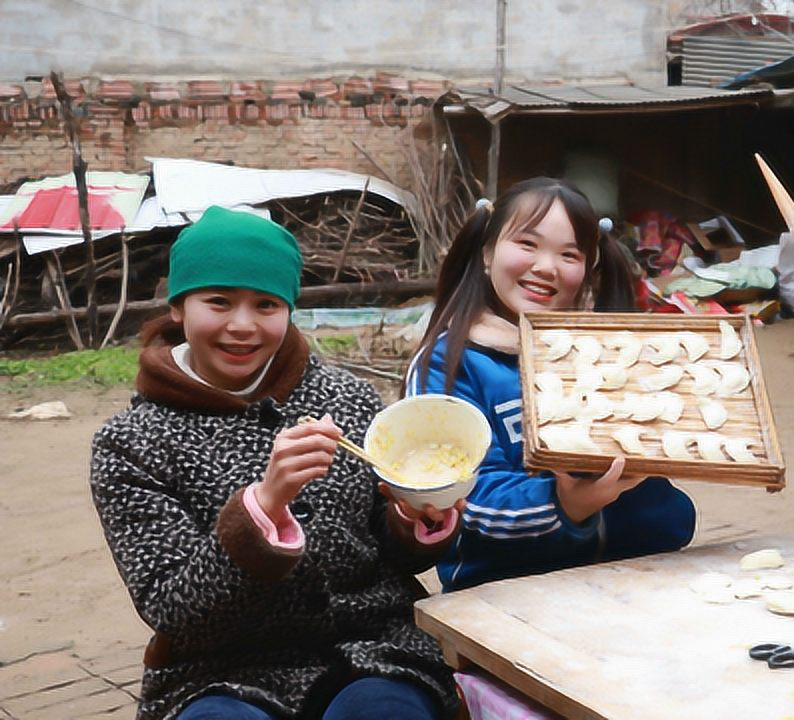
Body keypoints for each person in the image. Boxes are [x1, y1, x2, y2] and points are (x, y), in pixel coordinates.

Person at [91, 206, 462, 720]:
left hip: (373, 649)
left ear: (289, 310)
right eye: (218, 301)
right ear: (178, 306)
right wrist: (262, 508)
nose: (242, 326)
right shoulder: (132, 444)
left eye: (266, 304)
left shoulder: (347, 399)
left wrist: (414, 515)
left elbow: (388, 549)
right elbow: (175, 611)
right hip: (218, 671)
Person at [403, 178, 697, 592]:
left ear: (589, 267)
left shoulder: (608, 356)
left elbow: (656, 485)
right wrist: (566, 505)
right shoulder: (447, 365)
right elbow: (455, 497)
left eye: (569, 254)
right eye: (527, 244)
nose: (546, 266)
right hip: (504, 603)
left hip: (637, 582)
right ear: (487, 252)